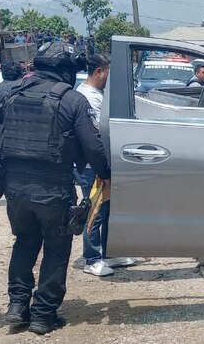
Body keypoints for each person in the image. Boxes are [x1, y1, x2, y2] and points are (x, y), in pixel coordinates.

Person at [0, 42, 112, 335]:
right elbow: (93, 147)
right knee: (56, 250)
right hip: (54, 188)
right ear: (66, 71)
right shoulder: (73, 100)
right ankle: (43, 315)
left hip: (15, 189)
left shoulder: (7, 90)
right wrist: (105, 175)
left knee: (24, 242)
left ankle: (17, 307)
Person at [74, 54, 135, 277]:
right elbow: (96, 135)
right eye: (108, 72)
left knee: (108, 209)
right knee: (95, 210)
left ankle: (109, 253)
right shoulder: (87, 97)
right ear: (99, 71)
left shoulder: (98, 95)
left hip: (104, 163)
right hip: (92, 165)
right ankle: (91, 258)